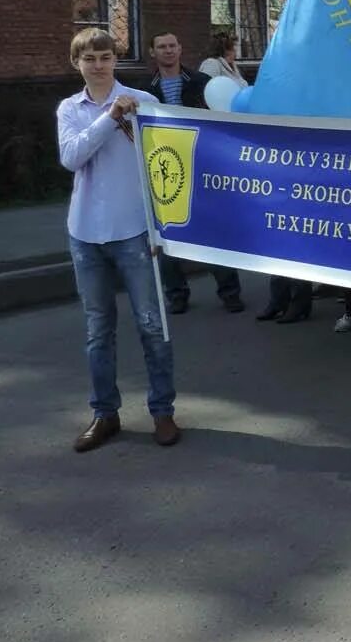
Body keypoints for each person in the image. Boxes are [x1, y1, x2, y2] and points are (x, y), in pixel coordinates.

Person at [57, 28, 178, 451]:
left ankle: (162, 411)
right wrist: (109, 117)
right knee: (98, 329)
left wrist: (163, 227)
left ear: (116, 60)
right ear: (78, 64)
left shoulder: (145, 103)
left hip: (134, 230)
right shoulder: (71, 108)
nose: (98, 65)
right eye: (89, 58)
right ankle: (104, 414)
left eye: (105, 57)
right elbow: (72, 157)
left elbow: (169, 159)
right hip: (86, 232)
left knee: (152, 324)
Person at [147, 31, 244, 314]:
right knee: (167, 233)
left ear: (180, 49)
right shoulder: (144, 89)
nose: (168, 51)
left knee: (213, 228)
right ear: (153, 52)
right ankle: (176, 294)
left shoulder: (201, 83)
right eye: (161, 46)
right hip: (164, 167)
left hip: (201, 163)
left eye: (172, 46)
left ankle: (230, 292)